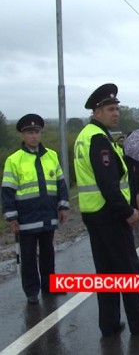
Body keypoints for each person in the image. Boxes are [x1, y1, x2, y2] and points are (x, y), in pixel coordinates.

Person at [74, 83, 139, 336]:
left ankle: (109, 324)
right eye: (110, 109)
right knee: (128, 269)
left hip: (93, 214)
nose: (116, 113)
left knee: (107, 272)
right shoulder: (98, 139)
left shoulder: (84, 136)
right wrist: (127, 211)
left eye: (117, 109)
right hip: (109, 214)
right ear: (96, 111)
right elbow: (108, 183)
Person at [1, 114, 69, 305]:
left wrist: (63, 206)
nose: (34, 136)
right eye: (30, 132)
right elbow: (7, 191)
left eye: (37, 132)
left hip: (48, 214)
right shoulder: (14, 160)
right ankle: (32, 291)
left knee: (48, 253)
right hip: (26, 217)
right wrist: (11, 217)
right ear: (23, 135)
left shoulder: (51, 155)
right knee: (29, 256)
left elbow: (61, 184)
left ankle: (50, 286)